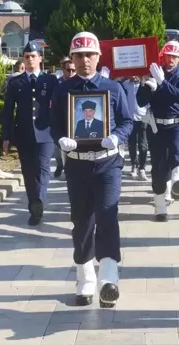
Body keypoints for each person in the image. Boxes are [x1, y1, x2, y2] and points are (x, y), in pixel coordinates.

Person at [50, 31, 133, 306]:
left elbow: (127, 121)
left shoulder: (113, 88)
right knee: (82, 221)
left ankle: (109, 279)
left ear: (98, 56)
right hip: (77, 165)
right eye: (79, 55)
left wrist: (117, 137)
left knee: (108, 217)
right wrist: (60, 138)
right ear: (72, 58)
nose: (85, 60)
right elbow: (54, 125)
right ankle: (85, 278)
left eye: (90, 54)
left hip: (108, 162)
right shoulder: (63, 89)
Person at [2, 41, 58, 226]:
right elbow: (8, 111)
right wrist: (6, 137)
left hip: (46, 133)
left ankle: (39, 202)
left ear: (40, 58)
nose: (30, 59)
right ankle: (34, 203)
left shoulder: (50, 81)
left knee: (43, 169)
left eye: (33, 56)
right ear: (23, 59)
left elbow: (59, 106)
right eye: (27, 57)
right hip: (24, 134)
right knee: (28, 171)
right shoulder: (15, 82)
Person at [137, 40, 179, 221]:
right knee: (159, 167)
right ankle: (160, 206)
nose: (171, 60)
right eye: (168, 56)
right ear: (163, 56)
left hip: (176, 124)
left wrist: (162, 83)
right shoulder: (153, 73)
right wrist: (147, 84)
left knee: (178, 151)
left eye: (175, 57)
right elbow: (140, 101)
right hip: (156, 126)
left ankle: (178, 179)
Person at [121, 76, 148, 180]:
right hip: (130, 118)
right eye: (132, 74)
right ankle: (134, 165)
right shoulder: (126, 84)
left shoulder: (145, 84)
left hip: (143, 117)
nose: (134, 76)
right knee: (132, 144)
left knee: (143, 144)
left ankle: (142, 168)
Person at [54, 59, 76, 178]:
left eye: (74, 70)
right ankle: (60, 165)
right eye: (69, 70)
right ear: (64, 71)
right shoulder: (58, 85)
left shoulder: (79, 84)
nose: (71, 72)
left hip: (75, 123)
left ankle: (69, 171)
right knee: (58, 151)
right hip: (61, 123)